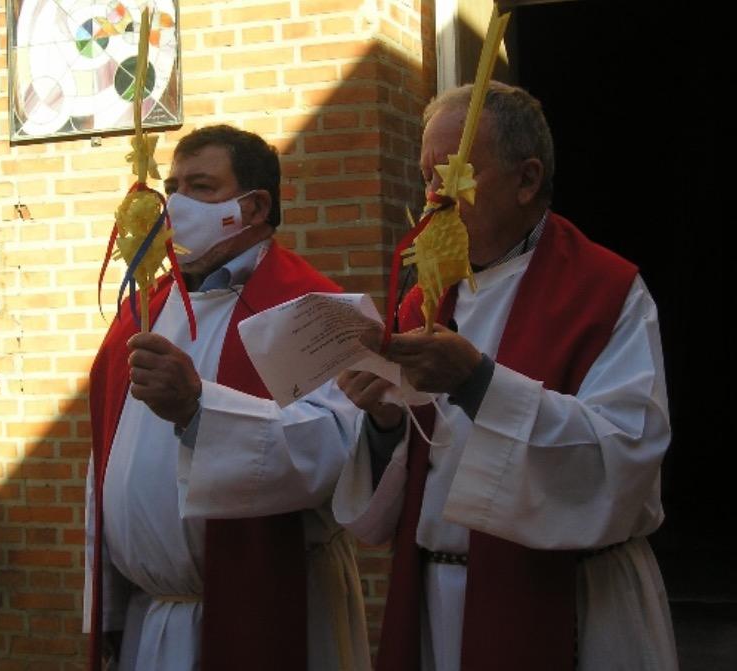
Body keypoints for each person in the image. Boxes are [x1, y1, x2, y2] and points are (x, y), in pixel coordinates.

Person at [333, 82, 678, 671]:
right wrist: (385, 422)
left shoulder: (605, 291)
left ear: (526, 179)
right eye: (426, 178)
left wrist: (478, 383)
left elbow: (623, 456)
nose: (433, 197)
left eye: (453, 174)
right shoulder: (425, 301)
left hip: (569, 602)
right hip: (437, 604)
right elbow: (411, 484)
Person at [83, 125, 370, 671]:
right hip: (151, 620)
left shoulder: (316, 312)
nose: (176, 205)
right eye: (172, 187)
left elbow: (337, 454)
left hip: (270, 610)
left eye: (202, 187)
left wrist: (198, 412)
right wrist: (108, 613)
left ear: (254, 205)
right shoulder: (142, 313)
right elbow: (103, 467)